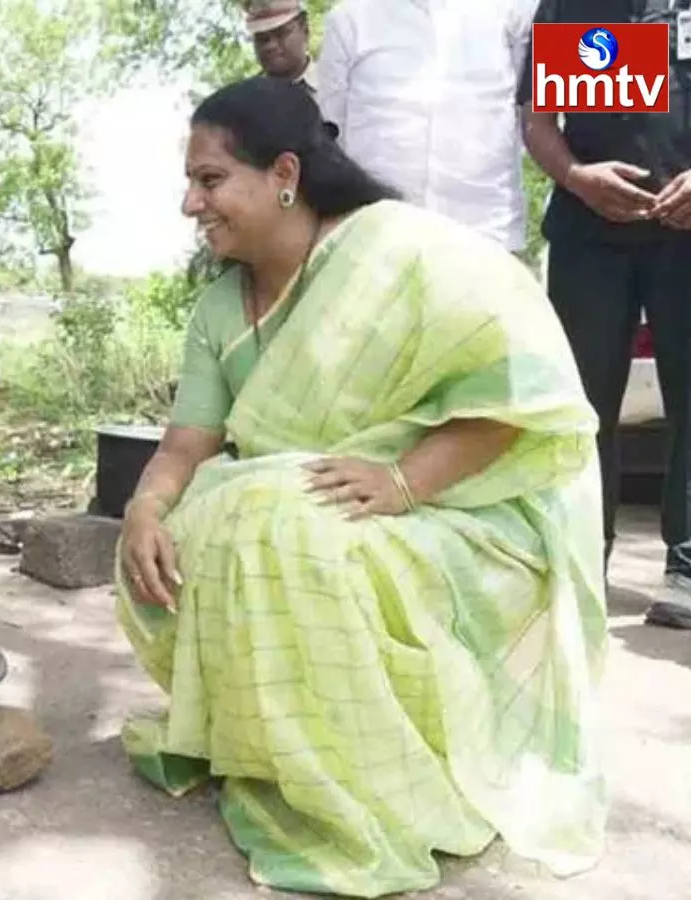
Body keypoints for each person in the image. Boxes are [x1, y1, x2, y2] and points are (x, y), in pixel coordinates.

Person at [117, 76, 607, 897]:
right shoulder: (217, 307)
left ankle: (376, 785)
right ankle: (273, 751)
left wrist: (404, 481)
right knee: (198, 529)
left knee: (281, 529)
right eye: (190, 183)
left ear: (282, 174)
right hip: (326, 499)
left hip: (455, 510)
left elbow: (524, 399)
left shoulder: (401, 251)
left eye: (209, 180)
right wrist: (142, 508)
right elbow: (188, 444)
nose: (190, 205)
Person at [518, 0, 691, 628]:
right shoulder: (567, 5)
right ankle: (583, 554)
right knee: (580, 403)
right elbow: (537, 119)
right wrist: (576, 175)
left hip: (686, 236)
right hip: (589, 236)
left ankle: (687, 566)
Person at [316, 0, 539, 253]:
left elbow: (535, 118)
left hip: (485, 232)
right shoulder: (349, 20)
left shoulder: (515, 10)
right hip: (378, 241)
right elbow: (331, 138)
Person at [245, 0, 317, 96]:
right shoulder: (245, 100)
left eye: (281, 33)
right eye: (262, 39)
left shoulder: (337, 86)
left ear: (305, 31)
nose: (270, 46)